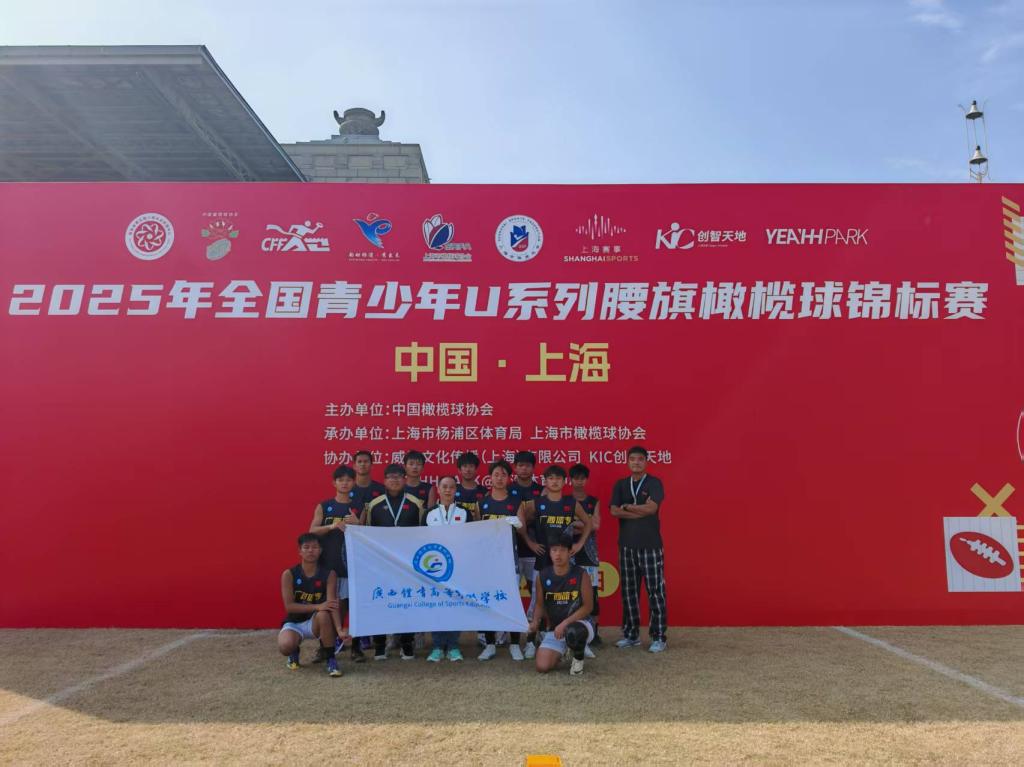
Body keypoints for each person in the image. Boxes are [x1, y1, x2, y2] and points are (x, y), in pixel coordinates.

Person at [521, 465, 592, 658]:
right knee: (537, 601)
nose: (554, 482)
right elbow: (520, 519)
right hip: (543, 558)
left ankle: (575, 639)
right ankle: (531, 641)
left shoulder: (571, 503)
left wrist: (579, 544)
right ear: (545, 481)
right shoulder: (537, 503)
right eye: (550, 478)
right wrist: (529, 541)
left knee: (569, 601)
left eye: (558, 478)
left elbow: (588, 523)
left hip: (565, 562)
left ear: (564, 481)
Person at [363, 463, 425, 660]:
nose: (394, 480)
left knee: (407, 602)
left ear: (405, 479)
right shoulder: (374, 505)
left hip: (407, 565)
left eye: (398, 476)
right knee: (381, 602)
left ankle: (407, 644)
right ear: (384, 480)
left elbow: (423, 533)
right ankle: (380, 645)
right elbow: (367, 534)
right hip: (381, 564)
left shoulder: (416, 503)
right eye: (390, 477)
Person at [609, 446, 667, 653]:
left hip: (650, 545)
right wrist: (639, 510)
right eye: (632, 459)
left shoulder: (654, 483)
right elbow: (614, 511)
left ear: (646, 462)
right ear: (627, 461)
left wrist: (628, 507)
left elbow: (652, 508)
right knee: (629, 592)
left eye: (640, 459)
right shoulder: (621, 484)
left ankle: (658, 636)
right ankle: (631, 635)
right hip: (627, 545)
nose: (636, 462)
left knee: (655, 592)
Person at [308, 465, 364, 662]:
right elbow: (312, 530)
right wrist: (332, 526)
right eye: (341, 480)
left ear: (353, 482)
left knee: (354, 609)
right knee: (330, 609)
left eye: (348, 480)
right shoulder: (324, 506)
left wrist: (358, 525)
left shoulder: (359, 506)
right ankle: (325, 648)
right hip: (328, 567)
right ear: (334, 483)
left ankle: (356, 648)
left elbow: (367, 536)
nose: (345, 483)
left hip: (351, 567)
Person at [476, 459, 527, 661]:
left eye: (503, 475)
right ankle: (489, 644)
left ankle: (514, 644)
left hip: (509, 560)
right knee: (488, 601)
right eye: (496, 475)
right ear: (490, 478)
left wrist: (517, 523)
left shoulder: (515, 502)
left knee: (512, 602)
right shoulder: (482, 503)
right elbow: (476, 532)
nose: (499, 478)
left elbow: (523, 529)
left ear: (508, 478)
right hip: (487, 561)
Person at [529, 530, 594, 676]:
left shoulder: (581, 574)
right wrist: (535, 622)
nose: (558, 554)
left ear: (570, 552)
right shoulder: (542, 576)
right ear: (550, 553)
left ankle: (578, 659)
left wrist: (565, 623)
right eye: (554, 550)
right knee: (542, 666)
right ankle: (565, 650)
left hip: (581, 625)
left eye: (562, 550)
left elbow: (588, 607)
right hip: (556, 630)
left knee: (573, 632)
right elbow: (539, 605)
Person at [278, 533, 343, 677]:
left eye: (314, 547)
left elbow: (332, 604)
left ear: (320, 550)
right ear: (299, 551)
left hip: (315, 622)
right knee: (285, 646)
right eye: (306, 547)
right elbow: (289, 607)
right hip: (294, 623)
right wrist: (317, 606)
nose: (310, 551)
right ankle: (294, 651)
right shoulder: (289, 574)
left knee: (324, 614)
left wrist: (339, 630)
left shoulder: (329, 574)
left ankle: (331, 659)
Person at [422, 475, 471, 662]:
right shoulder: (429, 514)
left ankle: (453, 646)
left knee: (455, 606)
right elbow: (421, 540)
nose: (448, 490)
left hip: (458, 567)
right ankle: (437, 646)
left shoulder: (465, 513)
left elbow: (473, 538)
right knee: (436, 606)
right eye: (444, 486)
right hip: (434, 568)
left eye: (451, 487)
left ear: (456, 490)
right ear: (438, 489)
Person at [509, 450, 543, 647]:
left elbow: (538, 517)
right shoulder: (506, 490)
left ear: (533, 468)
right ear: (515, 467)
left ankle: (534, 631)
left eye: (527, 465)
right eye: (520, 465)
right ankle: (504, 635)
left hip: (534, 549)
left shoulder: (541, 491)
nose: (523, 469)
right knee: (509, 593)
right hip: (510, 550)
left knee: (536, 592)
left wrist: (521, 518)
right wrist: (525, 516)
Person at [569, 462, 602, 652]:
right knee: (571, 592)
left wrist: (578, 523)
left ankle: (594, 632)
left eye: (582, 478)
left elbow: (596, 525)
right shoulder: (565, 500)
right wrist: (586, 523)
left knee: (592, 593)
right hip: (569, 550)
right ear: (570, 480)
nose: (579, 482)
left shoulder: (593, 501)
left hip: (589, 551)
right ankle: (571, 629)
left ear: (586, 480)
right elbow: (566, 525)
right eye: (576, 478)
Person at [453, 451, 483, 519]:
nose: (468, 470)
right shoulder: (453, 490)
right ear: (459, 470)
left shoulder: (484, 492)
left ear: (476, 469)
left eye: (471, 466)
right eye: (465, 466)